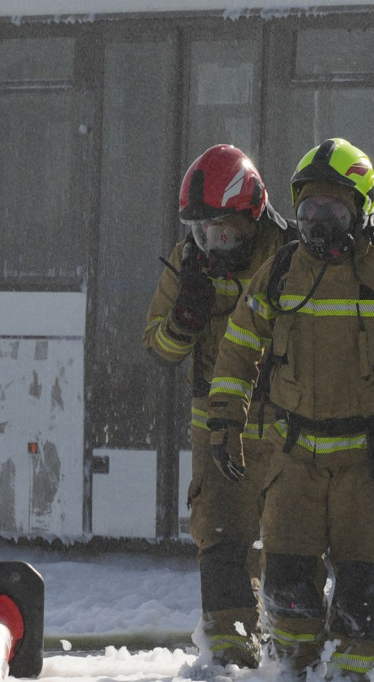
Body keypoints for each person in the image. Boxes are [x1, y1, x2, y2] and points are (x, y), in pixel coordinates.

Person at [205, 138, 374, 680]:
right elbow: (237, 346)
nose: (317, 223)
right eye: (308, 211)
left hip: (366, 464)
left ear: (362, 211)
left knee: (357, 595)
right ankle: (292, 671)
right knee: (287, 589)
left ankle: (352, 673)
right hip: (293, 461)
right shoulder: (279, 275)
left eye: (332, 211)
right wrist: (226, 420)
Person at [142, 144, 293, 669]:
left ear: (251, 219)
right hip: (216, 434)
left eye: (223, 233)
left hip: (284, 429)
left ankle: (292, 657)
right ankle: (230, 661)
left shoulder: (289, 255)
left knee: (291, 545)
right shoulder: (189, 263)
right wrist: (183, 319)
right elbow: (158, 348)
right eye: (203, 232)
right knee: (221, 542)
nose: (212, 245)